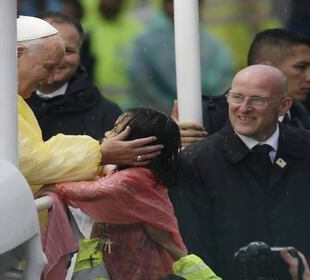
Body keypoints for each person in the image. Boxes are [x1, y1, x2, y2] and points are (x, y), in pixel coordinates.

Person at [0, 16, 162, 280]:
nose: (50, 78)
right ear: (17, 53)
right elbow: (26, 160)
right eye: (47, 67)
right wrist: (100, 152)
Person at [172, 64, 310, 279]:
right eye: (236, 97)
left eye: (257, 100)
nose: (244, 108)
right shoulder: (195, 162)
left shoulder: (305, 149)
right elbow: (195, 249)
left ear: (284, 106)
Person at [52, 107, 222, 279]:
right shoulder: (143, 174)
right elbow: (107, 170)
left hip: (144, 267)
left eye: (116, 130)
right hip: (132, 260)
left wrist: (50, 181)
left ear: (137, 144)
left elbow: (87, 192)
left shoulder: (133, 179)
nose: (107, 133)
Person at [176, 28, 310, 146]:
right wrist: (171, 141)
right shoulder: (203, 117)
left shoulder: (302, 117)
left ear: (285, 105)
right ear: (266, 67)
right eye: (300, 67)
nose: (308, 77)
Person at [25, 11, 122, 141]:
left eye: (68, 51)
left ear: (80, 54)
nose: (58, 59)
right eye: (49, 48)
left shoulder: (107, 113)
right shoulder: (4, 105)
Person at [128, 0, 234, 114]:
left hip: (203, 121)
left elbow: (221, 83)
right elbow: (141, 82)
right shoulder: (146, 42)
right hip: (156, 122)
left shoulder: (214, 47)